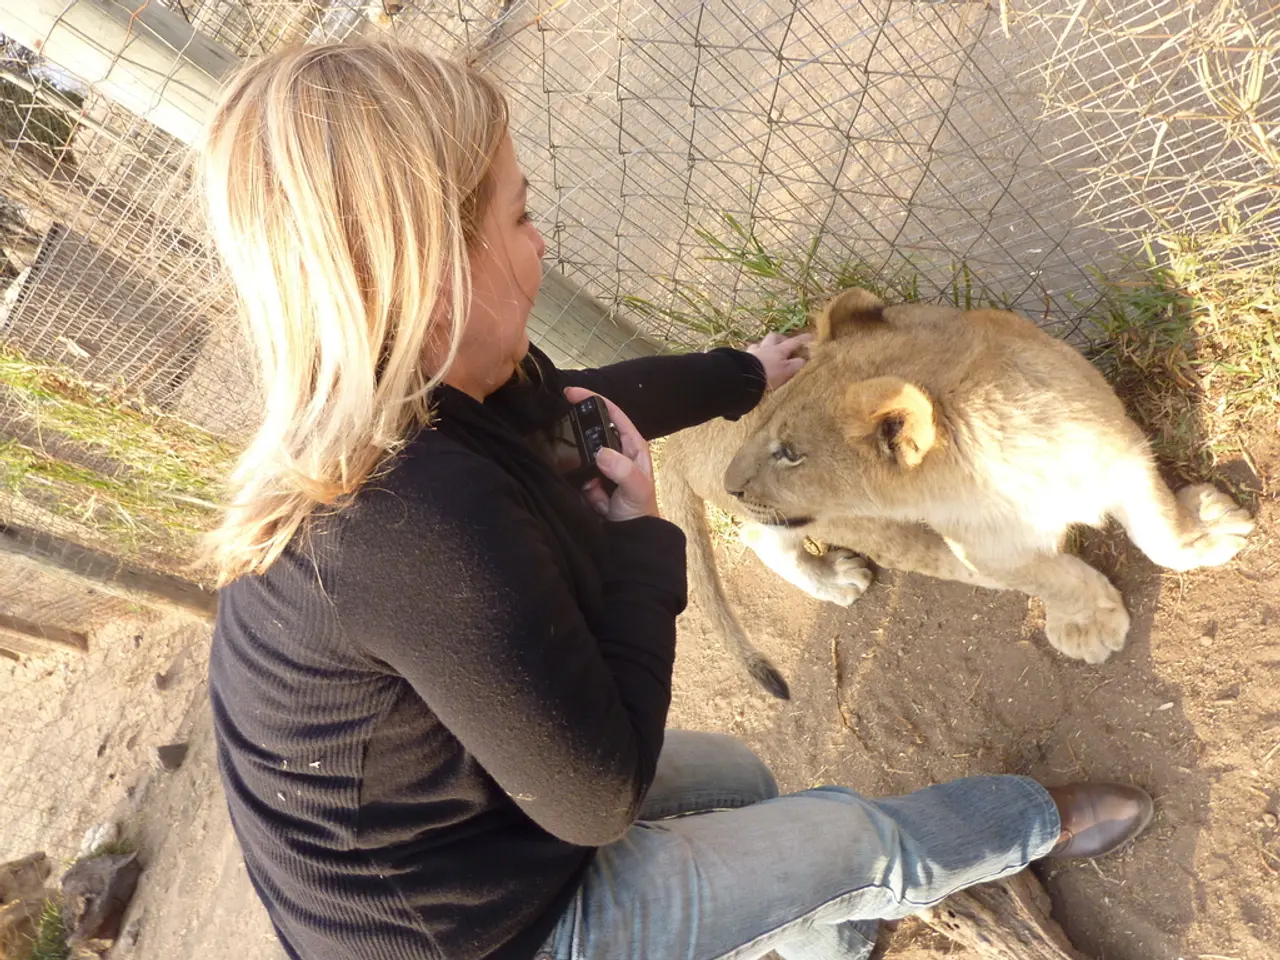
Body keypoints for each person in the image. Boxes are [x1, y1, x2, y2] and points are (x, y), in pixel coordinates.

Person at [200, 41, 1154, 960]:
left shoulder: (425, 386)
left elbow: (587, 403)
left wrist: (741, 373)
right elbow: (597, 799)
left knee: (742, 781)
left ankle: (833, 934)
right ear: (432, 274)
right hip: (483, 932)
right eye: (521, 217)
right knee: (857, 841)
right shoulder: (414, 523)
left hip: (475, 801)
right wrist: (641, 545)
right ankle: (1036, 822)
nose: (541, 243)